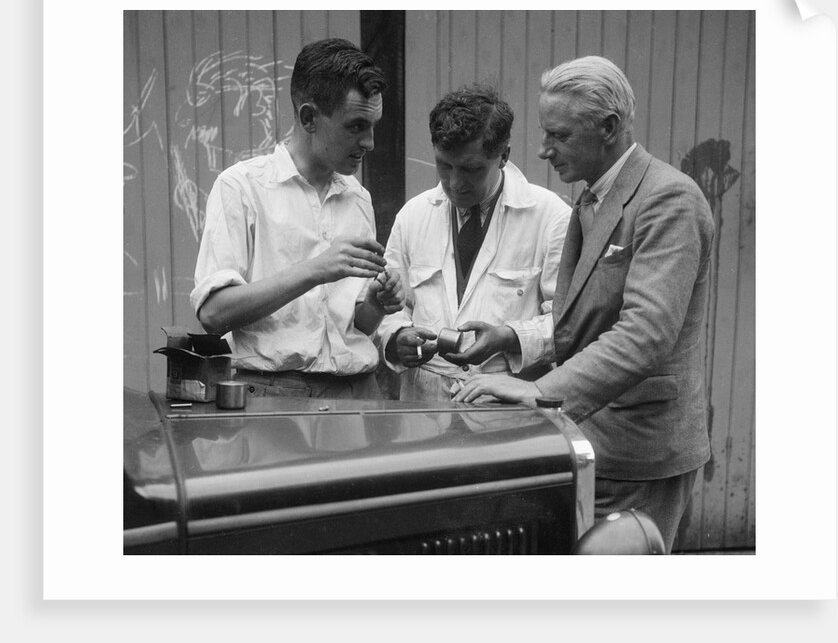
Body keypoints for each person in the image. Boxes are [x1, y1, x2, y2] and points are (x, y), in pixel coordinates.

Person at [453, 56, 715, 553]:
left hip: (640, 450)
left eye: (560, 135)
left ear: (610, 128)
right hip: (592, 439)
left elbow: (645, 335)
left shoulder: (668, 200)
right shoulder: (593, 198)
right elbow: (588, 321)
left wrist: (537, 393)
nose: (543, 149)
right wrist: (511, 339)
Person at [189, 38, 404, 400]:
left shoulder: (358, 198)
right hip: (275, 396)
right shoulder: (241, 188)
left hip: (357, 392)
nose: (369, 142)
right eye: (355, 126)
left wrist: (377, 305)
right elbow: (213, 313)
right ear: (308, 118)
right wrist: (316, 269)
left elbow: (356, 326)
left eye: (374, 126)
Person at [377, 84, 571, 401]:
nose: (455, 184)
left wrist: (510, 337)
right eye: (444, 165)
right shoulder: (413, 215)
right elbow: (389, 307)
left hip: (506, 407)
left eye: (471, 169)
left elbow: (568, 325)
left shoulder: (551, 218)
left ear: (504, 155)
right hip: (425, 408)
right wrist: (396, 337)